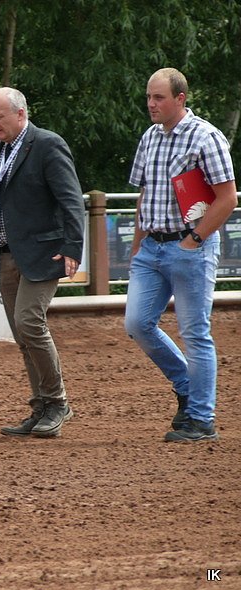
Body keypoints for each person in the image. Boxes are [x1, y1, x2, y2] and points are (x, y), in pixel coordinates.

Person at [0, 87, 85, 438]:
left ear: (20, 114)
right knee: (21, 334)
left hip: (43, 252)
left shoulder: (48, 145)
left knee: (29, 321)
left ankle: (58, 403)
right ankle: (40, 408)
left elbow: (71, 201)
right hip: (6, 252)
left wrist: (72, 246)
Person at [125, 68, 237, 443]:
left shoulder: (206, 137)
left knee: (195, 333)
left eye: (158, 98)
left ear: (180, 99)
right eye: (148, 97)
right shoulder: (149, 138)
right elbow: (146, 194)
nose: (151, 104)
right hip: (152, 246)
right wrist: (138, 244)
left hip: (190, 247)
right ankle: (188, 387)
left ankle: (202, 419)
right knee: (137, 324)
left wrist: (193, 240)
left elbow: (228, 198)